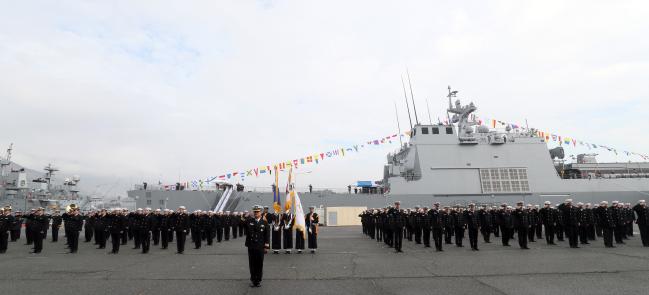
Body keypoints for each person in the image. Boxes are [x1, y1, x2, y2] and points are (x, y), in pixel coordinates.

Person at [245, 205, 269, 288]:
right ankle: (253, 280)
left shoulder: (264, 222)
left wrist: (266, 246)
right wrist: (244, 217)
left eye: (257, 212)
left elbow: (267, 235)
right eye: (254, 211)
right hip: (251, 246)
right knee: (252, 264)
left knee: (259, 264)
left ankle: (258, 280)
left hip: (260, 246)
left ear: (261, 212)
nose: (256, 213)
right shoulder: (249, 221)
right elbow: (240, 225)